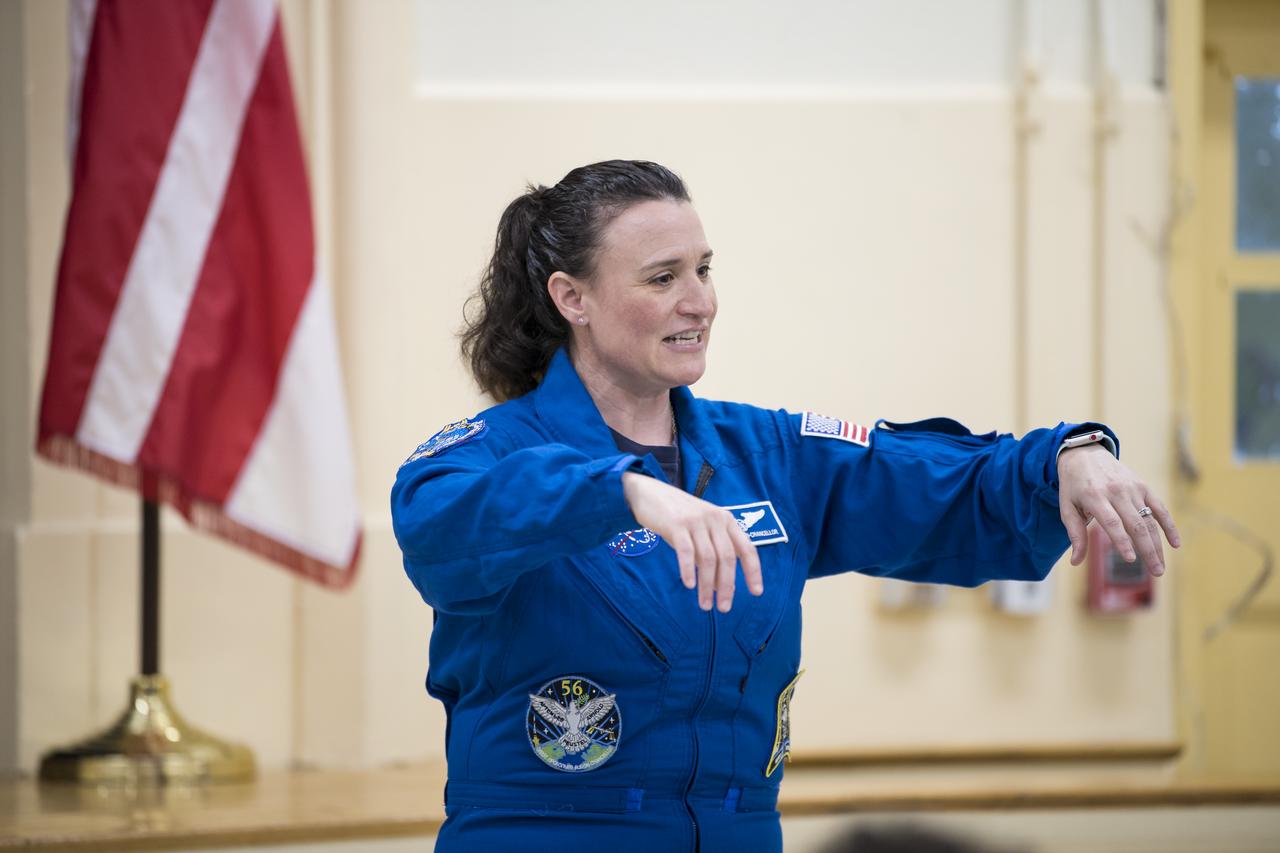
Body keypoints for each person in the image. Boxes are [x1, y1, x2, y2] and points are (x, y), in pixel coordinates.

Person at [390, 160, 1179, 852]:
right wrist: (618, 489)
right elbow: (441, 527)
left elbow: (934, 477)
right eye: (663, 278)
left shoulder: (764, 455)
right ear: (573, 297)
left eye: (704, 269)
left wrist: (1065, 457)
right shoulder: (486, 452)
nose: (700, 302)